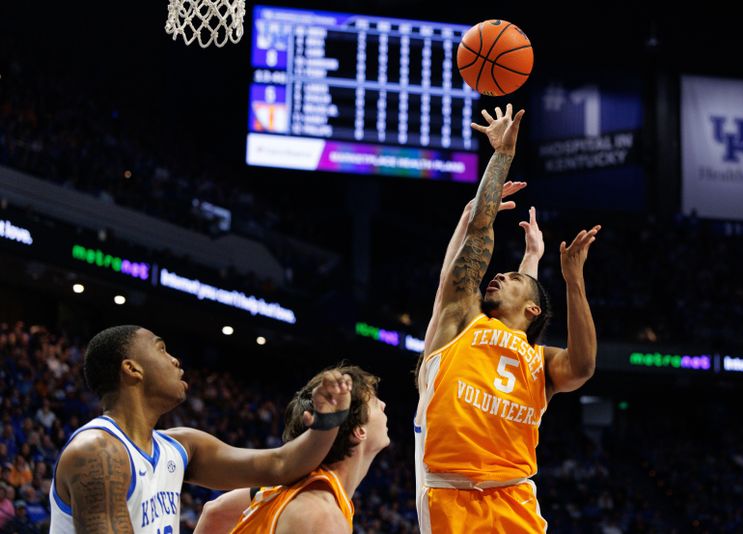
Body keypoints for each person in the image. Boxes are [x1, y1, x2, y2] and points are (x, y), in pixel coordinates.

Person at [415, 103, 601, 533]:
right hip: (450, 494)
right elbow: (479, 232)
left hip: (514, 496)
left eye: (513, 277)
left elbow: (584, 366)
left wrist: (573, 280)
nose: (497, 273)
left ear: (533, 309)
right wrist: (501, 156)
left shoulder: (540, 362)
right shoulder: (462, 321)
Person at [50, 325, 353, 533]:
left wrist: (328, 422)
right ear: (132, 369)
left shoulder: (180, 446)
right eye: (162, 349)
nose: (175, 359)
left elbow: (281, 465)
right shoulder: (97, 452)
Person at [193, 364, 389, 534]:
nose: (383, 404)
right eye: (373, 402)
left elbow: (215, 511)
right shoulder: (321, 515)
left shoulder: (275, 489)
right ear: (358, 431)